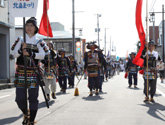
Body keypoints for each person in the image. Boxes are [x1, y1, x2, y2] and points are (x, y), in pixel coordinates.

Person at [11, 17, 47, 125]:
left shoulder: (39, 41)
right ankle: (25, 113)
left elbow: (44, 54)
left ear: (36, 28)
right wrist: (21, 50)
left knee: (33, 98)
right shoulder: (20, 39)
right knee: (19, 98)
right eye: (27, 25)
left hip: (33, 72)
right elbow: (13, 54)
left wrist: (32, 54)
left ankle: (31, 120)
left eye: (31, 25)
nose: (29, 27)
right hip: (21, 72)